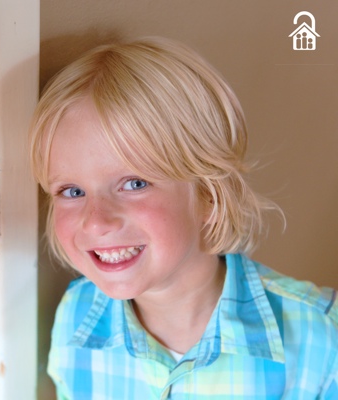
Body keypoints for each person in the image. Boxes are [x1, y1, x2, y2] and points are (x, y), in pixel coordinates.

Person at [28, 37, 338, 399]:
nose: (96, 222)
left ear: (209, 196)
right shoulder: (75, 319)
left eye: (135, 183)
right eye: (72, 191)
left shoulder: (320, 338)